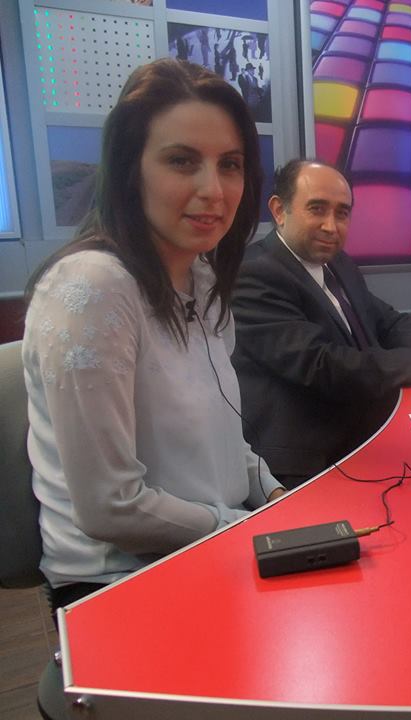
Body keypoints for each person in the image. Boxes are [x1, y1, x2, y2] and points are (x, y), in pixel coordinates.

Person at [22, 59, 285, 613]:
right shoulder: (92, 287)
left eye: (230, 165)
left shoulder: (202, 277)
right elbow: (111, 508)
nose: (213, 190)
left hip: (216, 546)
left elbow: (222, 439)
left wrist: (275, 496)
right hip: (121, 584)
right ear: (129, 169)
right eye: (182, 161)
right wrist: (244, 528)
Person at [231, 160, 411, 488]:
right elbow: (324, 364)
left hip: (368, 431)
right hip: (311, 459)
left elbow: (384, 318)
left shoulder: (337, 262)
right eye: (317, 209)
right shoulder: (255, 274)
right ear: (279, 210)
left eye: (342, 213)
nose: (331, 226)